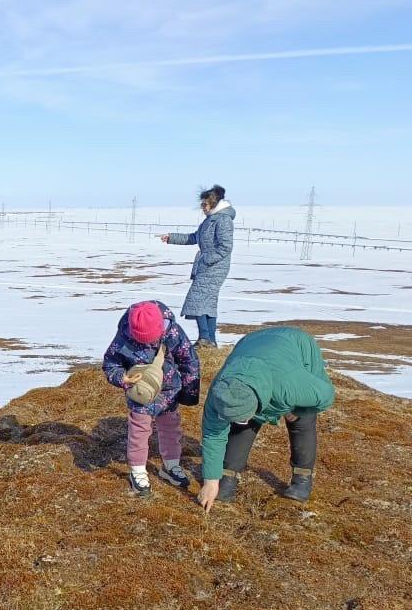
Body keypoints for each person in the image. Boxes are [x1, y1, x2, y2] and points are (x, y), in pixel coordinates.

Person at [197, 327, 335, 511]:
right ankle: (228, 475)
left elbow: (327, 395)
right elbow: (213, 435)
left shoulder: (290, 386)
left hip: (297, 345)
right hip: (251, 342)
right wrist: (211, 481)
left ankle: (302, 479)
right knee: (242, 425)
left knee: (302, 421)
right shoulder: (220, 393)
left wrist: (298, 408)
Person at [102, 300, 201, 497]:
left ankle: (171, 465)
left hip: (169, 390)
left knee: (171, 427)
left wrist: (189, 392)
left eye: (151, 339)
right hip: (140, 392)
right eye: (140, 340)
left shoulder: (172, 332)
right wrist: (123, 378)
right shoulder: (123, 336)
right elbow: (110, 364)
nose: (146, 343)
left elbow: (189, 361)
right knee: (139, 429)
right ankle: (137, 470)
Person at [161, 184, 235, 348]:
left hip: (214, 266)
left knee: (197, 300)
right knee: (207, 302)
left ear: (214, 203)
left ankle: (204, 338)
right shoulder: (210, 220)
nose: (202, 207)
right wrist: (171, 238)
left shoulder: (223, 220)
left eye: (204, 204)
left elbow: (226, 247)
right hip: (207, 265)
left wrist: (207, 259)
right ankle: (210, 340)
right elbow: (195, 237)